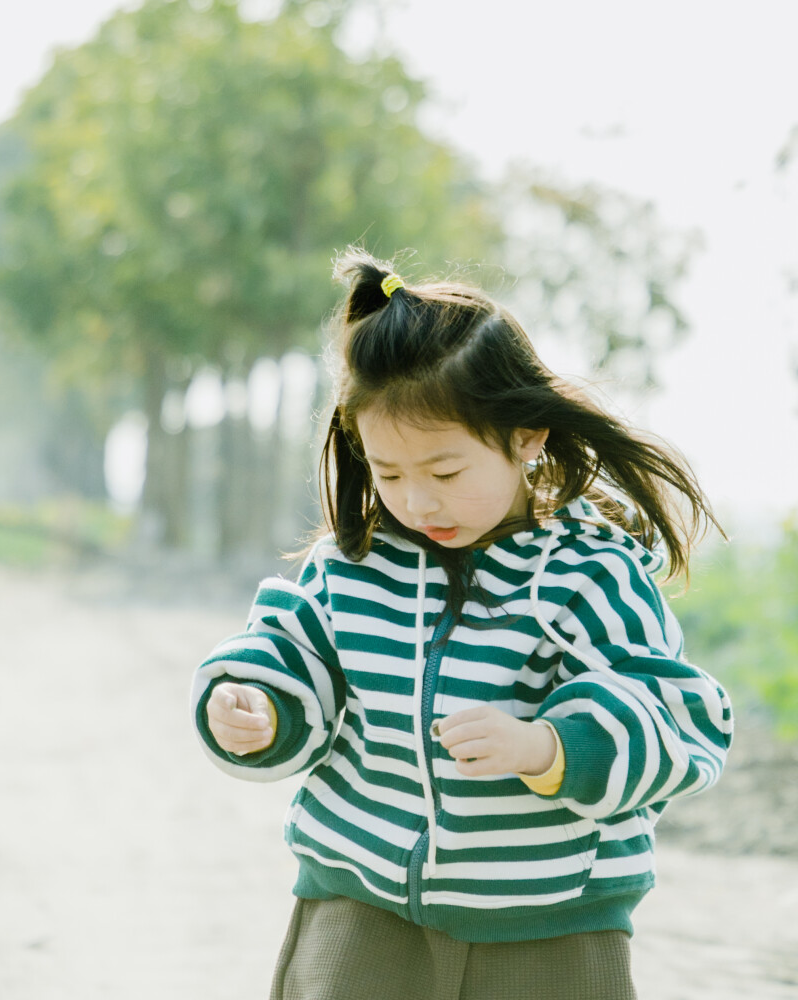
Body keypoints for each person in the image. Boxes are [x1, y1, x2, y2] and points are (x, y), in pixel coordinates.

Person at [189, 249, 733, 1000]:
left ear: (527, 436)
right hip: (360, 902)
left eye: (444, 473)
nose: (417, 503)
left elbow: (681, 722)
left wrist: (546, 748)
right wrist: (256, 705)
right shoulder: (351, 568)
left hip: (550, 923)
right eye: (389, 473)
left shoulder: (588, 576)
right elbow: (288, 655)